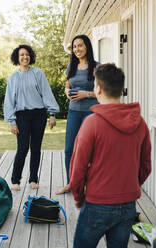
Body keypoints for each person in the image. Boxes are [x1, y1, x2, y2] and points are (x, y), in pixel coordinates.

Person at [69, 63, 152, 248]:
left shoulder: (92, 123)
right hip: (128, 204)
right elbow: (146, 165)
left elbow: (77, 167)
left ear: (97, 88)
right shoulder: (140, 123)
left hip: (97, 203)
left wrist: (78, 196)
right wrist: (131, 186)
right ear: (121, 90)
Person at [4, 44, 59, 191]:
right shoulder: (13, 78)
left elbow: (47, 94)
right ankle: (15, 180)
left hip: (38, 115)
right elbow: (9, 101)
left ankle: (33, 179)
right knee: (22, 148)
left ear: (31, 56)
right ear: (17, 57)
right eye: (22, 55)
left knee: (36, 148)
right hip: (21, 116)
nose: (25, 57)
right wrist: (12, 122)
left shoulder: (38, 73)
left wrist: (52, 114)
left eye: (27, 54)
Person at [56, 34, 99, 195]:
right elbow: (68, 85)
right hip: (74, 112)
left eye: (80, 45)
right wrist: (67, 92)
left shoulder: (97, 66)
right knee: (69, 149)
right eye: (74, 47)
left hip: (91, 113)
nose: (77, 49)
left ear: (87, 46)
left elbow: (103, 92)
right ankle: (71, 184)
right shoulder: (71, 67)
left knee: (90, 151)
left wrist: (86, 94)